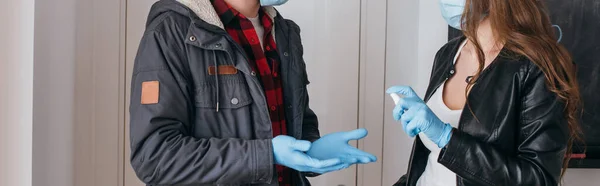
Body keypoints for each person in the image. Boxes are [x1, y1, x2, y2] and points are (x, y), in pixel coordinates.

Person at [128, 0, 376, 185]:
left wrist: (310, 148)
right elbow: (155, 157)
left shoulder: (285, 33)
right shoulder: (172, 32)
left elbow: (296, 125)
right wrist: (267, 154)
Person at [388, 0, 582, 185]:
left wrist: (447, 140)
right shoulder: (447, 54)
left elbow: (539, 178)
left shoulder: (536, 66)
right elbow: (430, 165)